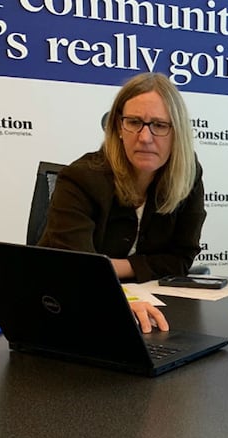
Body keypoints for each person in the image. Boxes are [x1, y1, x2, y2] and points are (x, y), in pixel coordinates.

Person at [39, 72, 206, 334]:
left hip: (154, 315)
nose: (145, 137)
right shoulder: (81, 178)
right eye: (134, 122)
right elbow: (78, 269)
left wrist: (112, 266)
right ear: (119, 127)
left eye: (160, 125)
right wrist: (124, 287)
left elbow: (181, 258)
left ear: (177, 133)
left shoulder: (188, 174)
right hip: (69, 313)